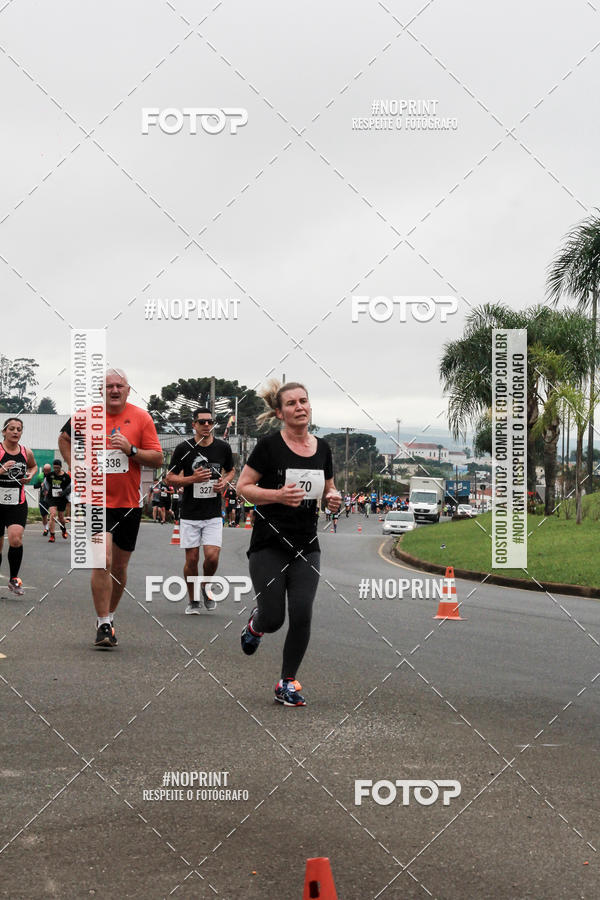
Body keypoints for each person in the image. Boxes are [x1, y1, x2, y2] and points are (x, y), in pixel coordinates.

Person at [236, 380, 341, 707]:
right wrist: (277, 495)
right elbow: (243, 487)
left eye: (304, 401)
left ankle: (287, 681)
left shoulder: (323, 448)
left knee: (302, 612)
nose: (300, 407)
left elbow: (329, 489)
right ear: (280, 412)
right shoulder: (269, 446)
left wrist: (333, 498)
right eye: (292, 403)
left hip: (306, 545)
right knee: (274, 618)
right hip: (269, 543)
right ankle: (256, 625)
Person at [58, 368, 163, 648]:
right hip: (96, 501)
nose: (114, 390)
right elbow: (64, 438)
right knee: (102, 560)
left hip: (128, 503)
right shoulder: (85, 415)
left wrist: (131, 450)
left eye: (120, 386)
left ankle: (110, 616)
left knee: (119, 566)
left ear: (128, 390)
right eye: (109, 386)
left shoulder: (141, 418)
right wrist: (74, 465)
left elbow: (157, 459)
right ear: (101, 391)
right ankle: (103, 622)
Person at [166, 408, 235, 615]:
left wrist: (225, 481)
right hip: (189, 512)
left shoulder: (223, 448)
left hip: (213, 512)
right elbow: (169, 478)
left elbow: (231, 470)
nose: (206, 425)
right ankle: (193, 599)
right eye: (202, 422)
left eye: (210, 422)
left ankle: (204, 586)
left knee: (212, 557)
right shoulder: (183, 448)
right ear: (194, 425)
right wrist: (191, 479)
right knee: (192, 559)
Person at [0, 417, 37, 595]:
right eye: (12, 428)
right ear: (4, 431)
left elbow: (34, 466)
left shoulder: (26, 452)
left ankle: (14, 579)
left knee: (15, 539)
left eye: (19, 429)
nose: (15, 432)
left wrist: (30, 475)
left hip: (17, 502)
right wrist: (1, 470)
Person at [46, 459, 70, 543]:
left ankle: (63, 530)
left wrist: (64, 493)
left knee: (61, 518)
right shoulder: (50, 475)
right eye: (54, 467)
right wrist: (45, 490)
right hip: (52, 498)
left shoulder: (66, 477)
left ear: (61, 467)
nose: (56, 469)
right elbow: (46, 484)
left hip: (61, 499)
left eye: (57, 467)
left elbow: (70, 487)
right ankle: (52, 536)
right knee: (52, 515)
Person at [37, 463, 52, 535]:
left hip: (51, 497)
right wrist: (41, 484)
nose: (46, 472)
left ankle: (51, 528)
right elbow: (35, 485)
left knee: (52, 513)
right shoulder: (40, 476)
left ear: (50, 470)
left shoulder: (53, 476)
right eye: (45, 470)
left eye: (48, 470)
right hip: (43, 497)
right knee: (43, 514)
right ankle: (46, 528)